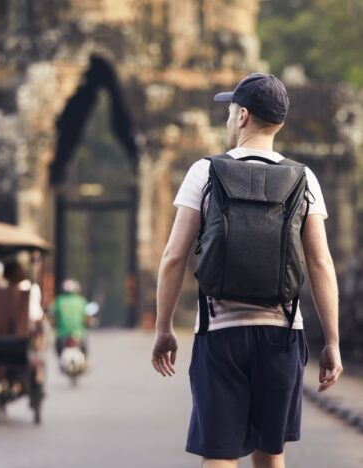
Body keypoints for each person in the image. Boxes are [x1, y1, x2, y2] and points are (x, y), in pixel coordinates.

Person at [151, 73, 343, 468]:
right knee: (270, 453)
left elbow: (173, 257)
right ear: (280, 122)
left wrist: (163, 328)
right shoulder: (303, 179)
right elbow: (321, 263)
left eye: (229, 111)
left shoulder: (204, 172)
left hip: (220, 336)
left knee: (220, 453)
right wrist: (332, 342)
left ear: (242, 116)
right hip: (282, 336)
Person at [52, 279, 88, 356]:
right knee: (85, 349)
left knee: (58, 350)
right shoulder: (81, 300)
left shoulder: (59, 300)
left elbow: (52, 313)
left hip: (62, 334)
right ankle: (85, 360)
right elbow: (87, 317)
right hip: (79, 333)